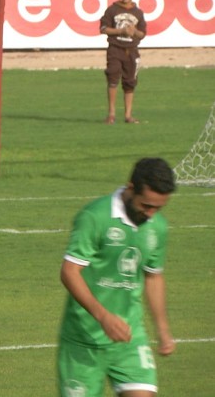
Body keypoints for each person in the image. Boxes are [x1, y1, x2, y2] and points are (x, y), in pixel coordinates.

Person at [57, 157, 177, 397]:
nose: (151, 214)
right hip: (84, 340)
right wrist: (103, 317)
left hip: (130, 338)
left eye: (158, 208)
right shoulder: (94, 217)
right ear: (130, 188)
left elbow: (153, 277)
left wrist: (162, 330)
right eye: (146, 205)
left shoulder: (157, 227)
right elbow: (69, 271)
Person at [99, 0, 147, 124]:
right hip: (115, 49)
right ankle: (111, 114)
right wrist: (121, 30)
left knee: (130, 81)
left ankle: (128, 115)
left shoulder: (138, 13)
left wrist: (134, 32)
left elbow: (143, 33)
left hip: (132, 51)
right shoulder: (112, 10)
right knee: (113, 78)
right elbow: (103, 29)